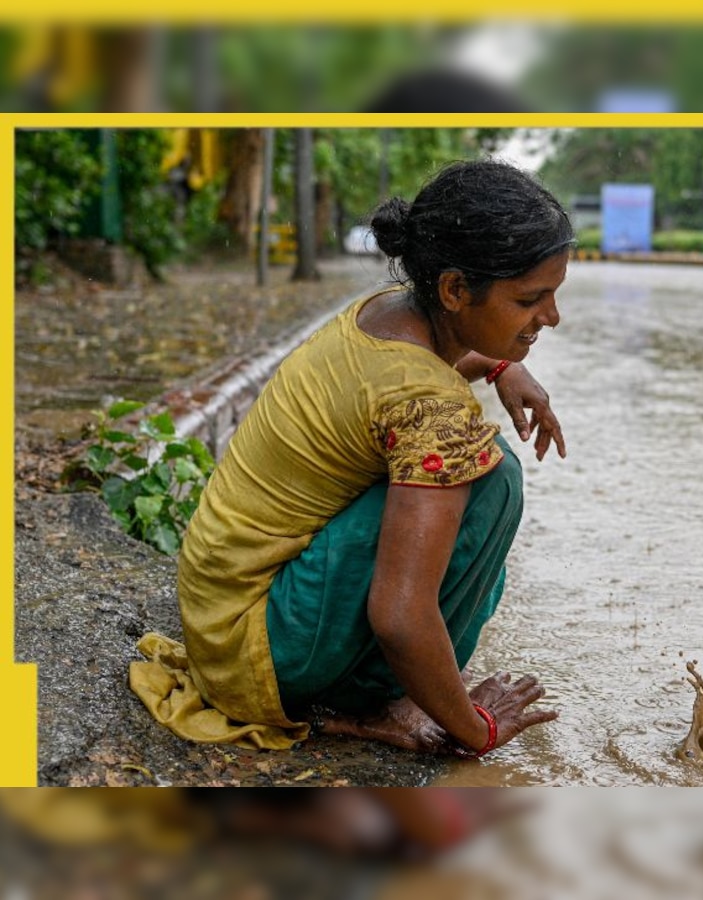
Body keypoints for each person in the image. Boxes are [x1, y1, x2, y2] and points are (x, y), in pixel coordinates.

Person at [131, 159, 573, 760]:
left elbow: (418, 377)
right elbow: (399, 614)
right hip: (261, 655)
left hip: (220, 620)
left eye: (553, 295)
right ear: (453, 289)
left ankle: (377, 682)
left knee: (465, 459)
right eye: (531, 299)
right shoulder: (429, 406)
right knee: (492, 477)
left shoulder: (388, 310)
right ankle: (374, 700)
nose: (550, 317)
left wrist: (501, 364)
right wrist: (475, 729)